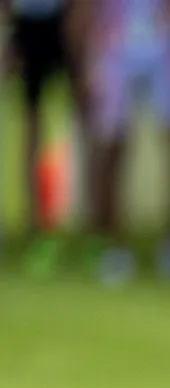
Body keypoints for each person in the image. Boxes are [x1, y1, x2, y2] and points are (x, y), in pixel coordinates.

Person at [79, 0, 170, 282]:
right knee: (113, 148)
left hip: (165, 42)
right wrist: (87, 56)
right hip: (115, 46)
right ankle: (116, 247)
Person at [4, 0, 80, 258]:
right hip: (27, 27)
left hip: (61, 23)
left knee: (75, 124)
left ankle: (72, 217)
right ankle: (33, 221)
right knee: (31, 130)